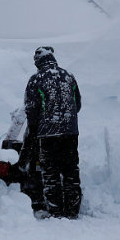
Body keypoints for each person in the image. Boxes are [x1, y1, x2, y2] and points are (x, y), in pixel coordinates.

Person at [24, 46, 82, 219]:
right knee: (71, 170)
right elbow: (77, 104)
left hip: (47, 134)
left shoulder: (36, 79)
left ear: (38, 62)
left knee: (51, 172)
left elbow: (31, 109)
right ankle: (72, 210)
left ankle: (56, 211)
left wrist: (34, 130)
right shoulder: (68, 76)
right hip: (71, 133)